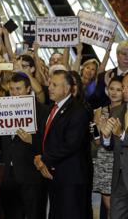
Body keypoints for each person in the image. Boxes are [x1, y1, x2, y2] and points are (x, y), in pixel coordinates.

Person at [34, 70, 92, 219]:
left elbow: (71, 145)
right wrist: (39, 158)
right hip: (55, 176)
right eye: (49, 84)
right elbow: (44, 138)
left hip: (71, 179)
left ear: (66, 89)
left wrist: (44, 159)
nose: (49, 88)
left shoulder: (78, 110)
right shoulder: (52, 108)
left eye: (54, 85)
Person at [0, 73, 48, 219]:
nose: (15, 93)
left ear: (29, 89)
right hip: (8, 176)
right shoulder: (1, 108)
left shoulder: (42, 111)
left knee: (34, 215)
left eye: (19, 89)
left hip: (31, 176)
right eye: (12, 89)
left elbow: (49, 143)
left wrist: (32, 140)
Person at [93, 77, 123, 217]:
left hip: (120, 162)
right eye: (112, 89)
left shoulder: (125, 111)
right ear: (107, 90)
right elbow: (97, 142)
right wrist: (97, 128)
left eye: (119, 89)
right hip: (104, 163)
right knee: (109, 207)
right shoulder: (99, 111)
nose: (114, 93)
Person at [100, 73, 128, 219]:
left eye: (126, 87)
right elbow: (110, 146)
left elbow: (122, 136)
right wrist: (106, 137)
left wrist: (122, 134)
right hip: (119, 178)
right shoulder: (116, 111)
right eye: (123, 87)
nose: (124, 90)